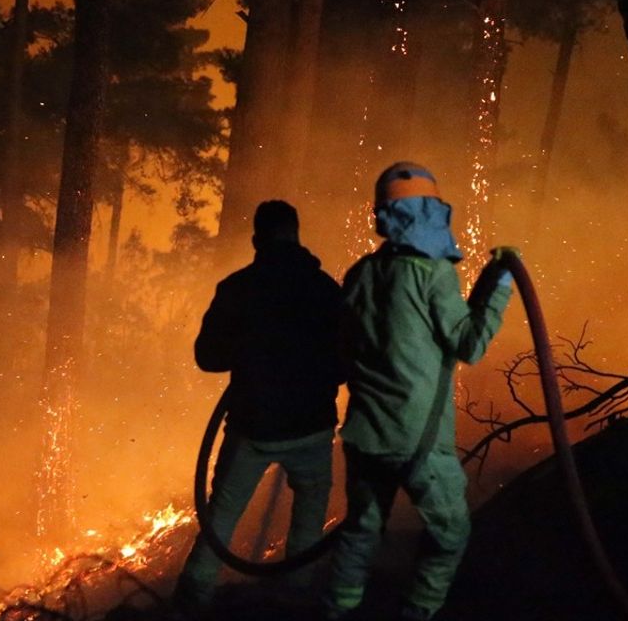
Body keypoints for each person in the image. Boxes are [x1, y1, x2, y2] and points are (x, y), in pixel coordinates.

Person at [324, 162, 514, 621]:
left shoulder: (360, 274)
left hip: (366, 436)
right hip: (419, 442)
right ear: (431, 210)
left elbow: (342, 350)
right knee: (451, 533)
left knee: (361, 531)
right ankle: (418, 612)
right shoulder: (433, 274)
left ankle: (337, 612)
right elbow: (469, 343)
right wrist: (500, 281)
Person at [173, 200, 347, 610]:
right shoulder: (325, 290)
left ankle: (188, 604)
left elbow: (208, 357)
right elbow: (345, 361)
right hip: (312, 428)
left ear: (256, 240)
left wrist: (250, 352)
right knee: (309, 519)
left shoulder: (238, 288)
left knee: (221, 520)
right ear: (297, 235)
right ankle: (294, 600)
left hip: (254, 429)